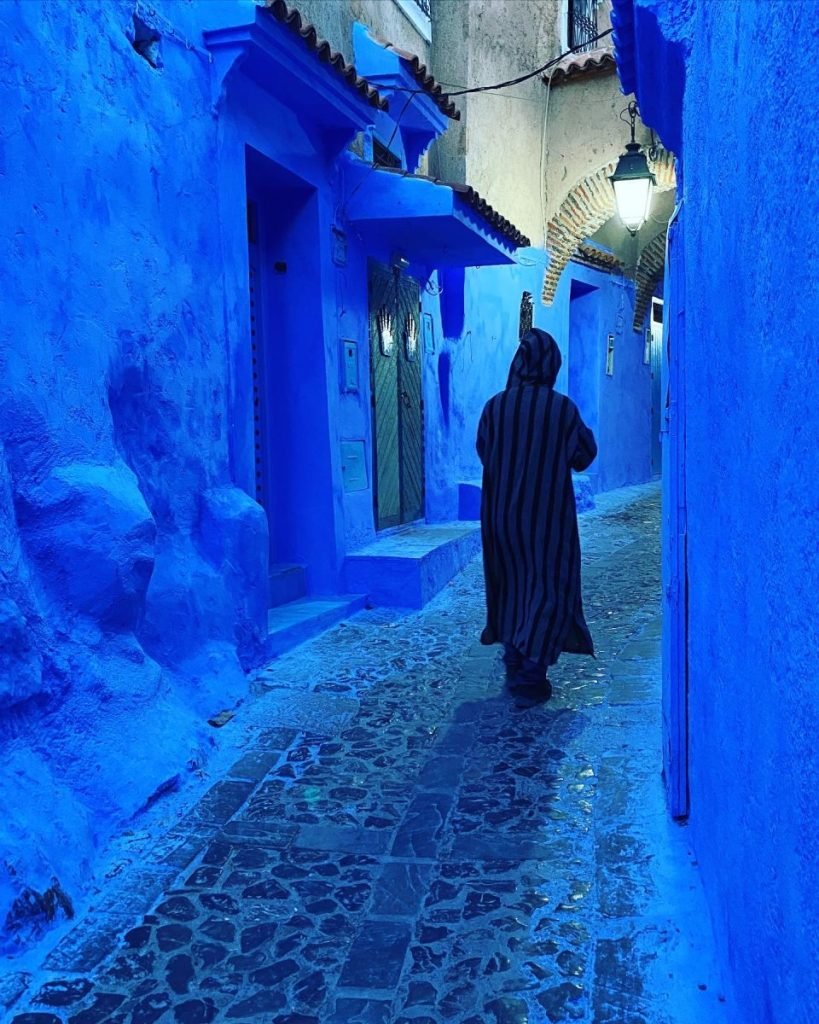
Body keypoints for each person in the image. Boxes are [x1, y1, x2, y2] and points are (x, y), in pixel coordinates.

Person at [476, 328, 597, 700]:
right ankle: (531, 673)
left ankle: (515, 655)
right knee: (547, 587)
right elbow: (585, 454)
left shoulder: (494, 407)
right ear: (551, 366)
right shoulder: (562, 409)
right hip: (547, 521)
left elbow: (484, 450)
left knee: (512, 584)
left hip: (500, 519)